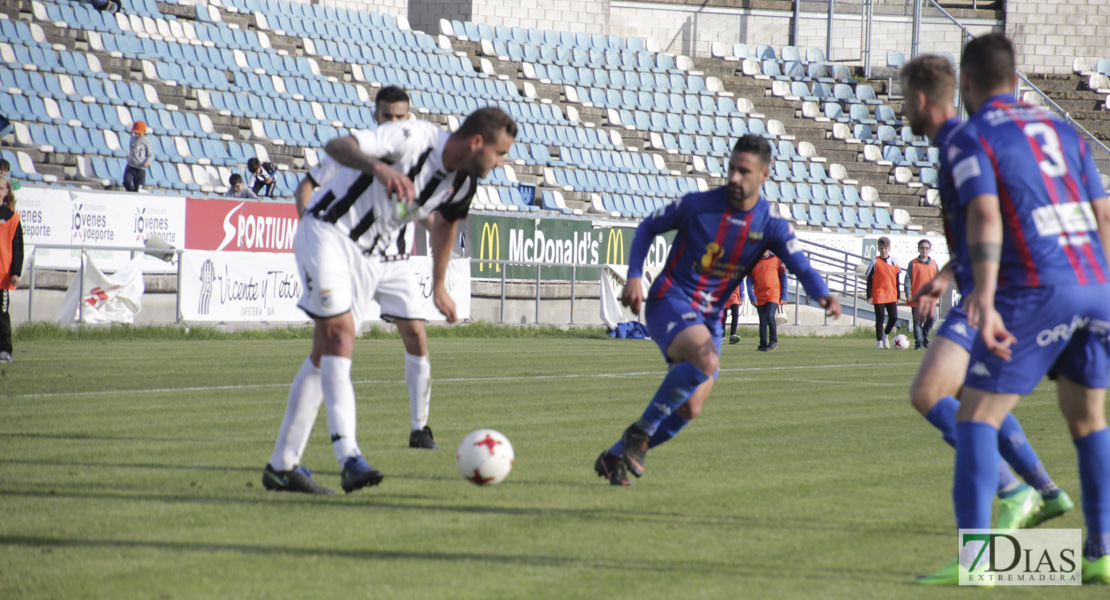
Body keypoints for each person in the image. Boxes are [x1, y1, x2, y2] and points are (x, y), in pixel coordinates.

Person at [917, 35, 1110, 585]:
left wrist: (981, 294)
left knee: (977, 415)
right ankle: (1099, 552)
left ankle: (980, 564)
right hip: (1095, 282)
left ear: (969, 83)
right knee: (1089, 419)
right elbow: (1104, 217)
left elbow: (984, 212)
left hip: (1036, 284)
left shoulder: (974, 134)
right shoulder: (1065, 131)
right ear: (1015, 76)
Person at [262, 107, 516, 495]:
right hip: (328, 232)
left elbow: (447, 223)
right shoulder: (412, 138)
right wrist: (379, 169)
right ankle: (349, 456)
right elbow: (336, 145)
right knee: (341, 336)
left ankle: (282, 466)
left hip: (372, 257)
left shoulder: (463, 182)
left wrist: (439, 284)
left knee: (322, 355)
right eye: (499, 154)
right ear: (477, 143)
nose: (500, 164)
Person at [593, 134, 842, 486]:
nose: (735, 178)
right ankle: (640, 433)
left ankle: (615, 456)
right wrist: (634, 276)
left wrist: (823, 294)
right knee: (706, 361)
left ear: (764, 175)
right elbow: (649, 226)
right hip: (670, 299)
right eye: (732, 170)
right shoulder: (699, 205)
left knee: (691, 407)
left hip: (709, 317)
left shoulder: (769, 223)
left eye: (744, 172)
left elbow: (800, 265)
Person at [292, 87, 439, 450]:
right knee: (333, 342)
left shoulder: (415, 154)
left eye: (399, 116)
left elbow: (429, 213)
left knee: (416, 335)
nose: (392, 121)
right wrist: (316, 231)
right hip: (350, 256)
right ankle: (324, 449)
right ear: (376, 116)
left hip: (396, 263)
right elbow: (306, 186)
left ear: (409, 117)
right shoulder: (356, 151)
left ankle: (420, 428)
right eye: (386, 116)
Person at [0, 176, 23, 364]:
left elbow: (17, 248)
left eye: (1, 188)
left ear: (6, 192)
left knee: (2, 316)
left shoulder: (12, 219)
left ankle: (5, 350)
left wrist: (15, 272)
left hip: (2, 277)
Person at [865, 236, 900, 349]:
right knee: (880, 318)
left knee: (893, 317)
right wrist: (869, 295)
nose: (883, 250)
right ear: (878, 248)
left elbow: (897, 280)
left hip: (891, 294)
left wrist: (898, 295)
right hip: (879, 293)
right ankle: (879, 341)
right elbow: (869, 279)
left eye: (885, 248)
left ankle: (885, 335)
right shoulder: (875, 261)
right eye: (881, 248)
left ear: (889, 248)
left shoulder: (894, 261)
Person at [904, 238, 938, 350]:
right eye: (922, 248)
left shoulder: (933, 264)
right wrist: (908, 292)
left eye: (926, 248)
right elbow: (908, 279)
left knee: (932, 318)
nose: (924, 250)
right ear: (918, 249)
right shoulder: (913, 263)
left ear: (929, 250)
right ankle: (918, 343)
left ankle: (923, 337)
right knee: (917, 321)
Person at [751, 249, 786, 352]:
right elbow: (749, 282)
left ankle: (773, 341)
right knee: (762, 319)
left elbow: (783, 277)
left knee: (769, 316)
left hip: (773, 294)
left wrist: (783, 295)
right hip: (760, 295)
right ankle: (762, 345)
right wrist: (752, 297)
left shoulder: (777, 260)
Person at [123, 121, 151, 193]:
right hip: (131, 165)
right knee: (126, 181)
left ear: (144, 132)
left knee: (139, 189)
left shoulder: (147, 142)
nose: (137, 135)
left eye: (139, 133)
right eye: (136, 133)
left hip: (140, 168)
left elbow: (150, 155)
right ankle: (131, 193)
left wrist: (147, 162)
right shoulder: (132, 139)